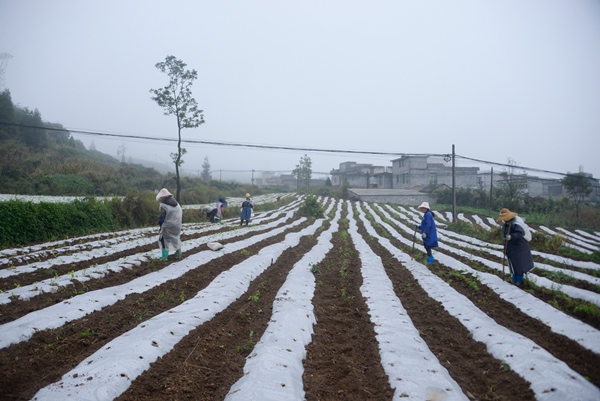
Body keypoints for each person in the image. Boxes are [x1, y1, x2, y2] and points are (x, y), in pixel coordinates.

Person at [496, 208, 534, 286]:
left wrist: (511, 236)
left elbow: (520, 233)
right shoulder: (507, 223)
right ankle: (514, 278)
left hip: (519, 246)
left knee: (519, 263)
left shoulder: (516, 223)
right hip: (511, 246)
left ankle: (519, 280)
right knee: (512, 263)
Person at [156, 188, 182, 261]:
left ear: (163, 198)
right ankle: (179, 254)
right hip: (177, 225)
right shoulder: (176, 204)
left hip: (168, 226)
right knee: (175, 238)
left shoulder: (163, 206)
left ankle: (164, 257)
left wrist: (160, 225)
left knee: (163, 240)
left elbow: (161, 218)